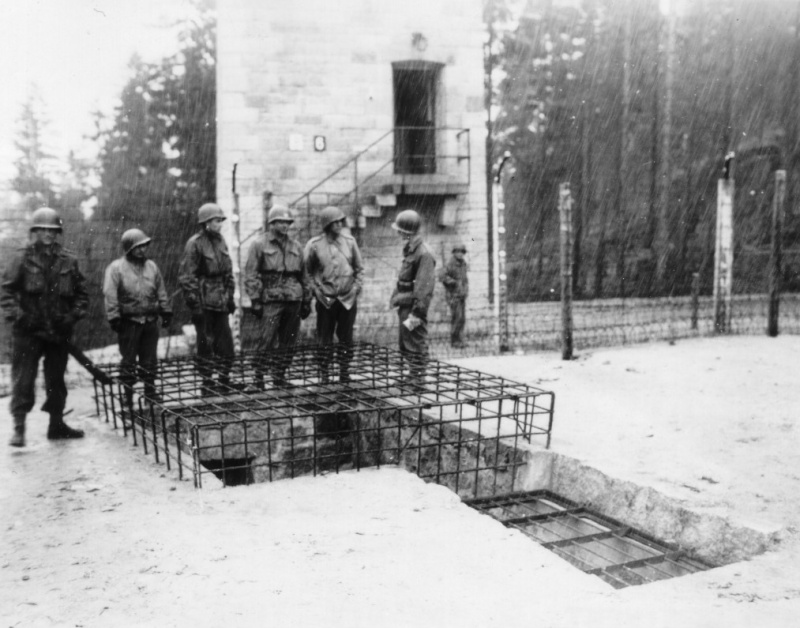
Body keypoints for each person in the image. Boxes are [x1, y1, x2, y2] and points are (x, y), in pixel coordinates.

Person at [1, 207, 89, 447]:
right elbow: (5, 291)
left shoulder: (69, 260)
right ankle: (19, 429)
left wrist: (72, 317)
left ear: (58, 232)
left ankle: (56, 425)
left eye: (53, 230)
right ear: (35, 231)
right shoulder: (21, 258)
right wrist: (20, 317)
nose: (48, 234)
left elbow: (82, 294)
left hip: (58, 332)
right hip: (28, 331)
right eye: (43, 230)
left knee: (56, 379)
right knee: (23, 379)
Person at [103, 229, 172, 410]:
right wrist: (114, 317)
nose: (142, 250)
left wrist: (166, 311)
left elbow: (161, 290)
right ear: (128, 248)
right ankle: (127, 396)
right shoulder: (116, 268)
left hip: (149, 321)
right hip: (129, 322)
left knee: (149, 360)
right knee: (128, 361)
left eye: (144, 246)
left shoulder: (152, 267)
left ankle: (150, 392)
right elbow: (110, 294)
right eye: (138, 247)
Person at [244, 203, 311, 387]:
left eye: (287, 222)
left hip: (293, 298)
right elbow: (251, 274)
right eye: (280, 222)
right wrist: (255, 299)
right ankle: (258, 378)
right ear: (271, 223)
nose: (284, 225)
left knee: (289, 341)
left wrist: (307, 300)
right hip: (272, 298)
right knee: (266, 339)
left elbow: (304, 275)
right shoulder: (259, 244)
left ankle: (279, 376)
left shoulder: (296, 246)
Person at [178, 202, 237, 395]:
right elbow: (187, 276)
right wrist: (195, 304)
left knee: (226, 343)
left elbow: (228, 271)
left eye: (220, 220)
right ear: (205, 223)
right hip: (204, 302)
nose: (219, 224)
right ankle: (207, 383)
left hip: (220, 300)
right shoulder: (194, 244)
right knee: (206, 344)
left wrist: (230, 296)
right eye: (215, 221)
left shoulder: (221, 241)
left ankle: (225, 379)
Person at [304, 206, 364, 383]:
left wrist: (356, 288)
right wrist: (316, 289)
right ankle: (324, 373)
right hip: (326, 300)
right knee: (324, 338)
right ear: (326, 225)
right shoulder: (314, 245)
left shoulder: (350, 242)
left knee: (346, 337)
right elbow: (307, 272)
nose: (339, 225)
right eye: (334, 222)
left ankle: (344, 371)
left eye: (340, 221)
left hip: (348, 299)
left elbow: (359, 269)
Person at [389, 209, 436, 387]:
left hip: (414, 306)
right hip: (405, 302)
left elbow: (424, 287)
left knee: (415, 340)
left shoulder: (423, 253)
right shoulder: (411, 250)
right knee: (406, 341)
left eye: (399, 229)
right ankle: (413, 374)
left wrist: (418, 312)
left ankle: (418, 378)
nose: (398, 232)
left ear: (405, 231)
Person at [441, 242, 469, 348]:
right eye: (458, 252)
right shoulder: (450, 264)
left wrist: (465, 290)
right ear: (454, 253)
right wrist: (452, 282)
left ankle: (460, 339)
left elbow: (465, 279)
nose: (460, 254)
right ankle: (455, 341)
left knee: (462, 319)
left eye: (462, 252)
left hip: (461, 295)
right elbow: (442, 276)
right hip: (453, 295)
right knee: (457, 318)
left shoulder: (463, 264)